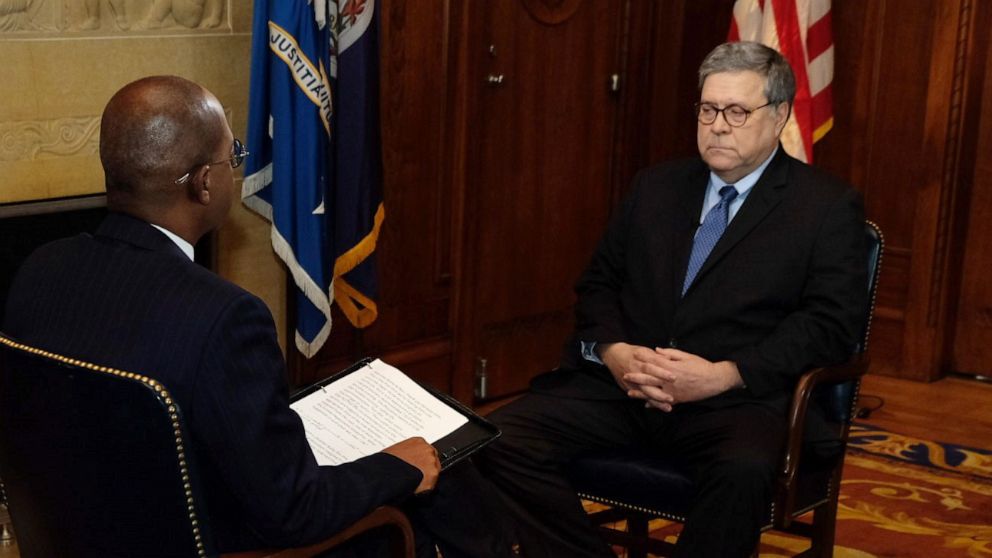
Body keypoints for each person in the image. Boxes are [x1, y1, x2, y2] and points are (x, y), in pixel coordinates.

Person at [2, 75, 516, 558]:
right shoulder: (223, 316)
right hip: (210, 537)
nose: (236, 168)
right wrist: (396, 468)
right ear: (204, 184)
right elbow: (293, 512)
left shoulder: (42, 268)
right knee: (439, 478)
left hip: (95, 524)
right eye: (235, 157)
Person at [475, 41, 868, 557]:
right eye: (708, 109)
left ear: (779, 117)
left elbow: (829, 324)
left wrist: (726, 374)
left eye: (736, 111)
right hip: (626, 387)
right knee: (495, 438)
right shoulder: (655, 187)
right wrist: (614, 353)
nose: (718, 125)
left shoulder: (824, 206)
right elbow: (598, 285)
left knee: (742, 471)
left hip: (736, 399)